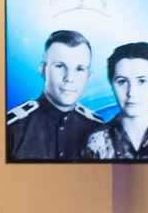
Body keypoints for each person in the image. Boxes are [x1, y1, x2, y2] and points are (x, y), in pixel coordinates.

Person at [6, 28, 108, 160]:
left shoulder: (96, 128)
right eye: (60, 66)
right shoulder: (12, 128)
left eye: (79, 69)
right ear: (43, 70)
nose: (69, 78)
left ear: (88, 77)